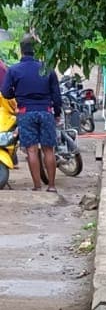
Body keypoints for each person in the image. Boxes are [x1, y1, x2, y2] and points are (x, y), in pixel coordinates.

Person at [1, 34, 63, 194]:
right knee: (49, 149)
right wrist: (57, 113)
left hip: (25, 112)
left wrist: (18, 93)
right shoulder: (47, 68)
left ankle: (37, 186)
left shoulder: (14, 70)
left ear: (21, 51)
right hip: (46, 111)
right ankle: (51, 186)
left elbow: (5, 92)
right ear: (36, 51)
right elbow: (56, 95)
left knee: (32, 150)